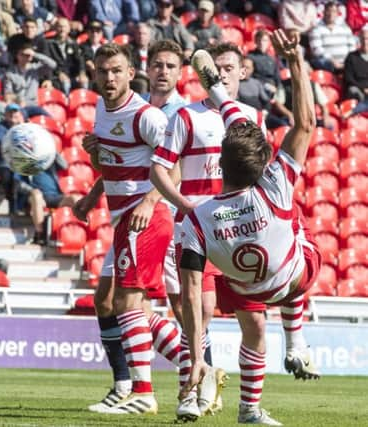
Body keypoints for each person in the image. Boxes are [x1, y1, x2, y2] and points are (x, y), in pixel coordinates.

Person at [179, 30, 321, 426]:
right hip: (293, 276)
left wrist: (196, 360)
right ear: (264, 166)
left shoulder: (196, 219)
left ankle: (249, 410)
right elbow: (306, 123)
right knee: (294, 215)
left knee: (253, 331)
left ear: (219, 166)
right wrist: (295, 62)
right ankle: (294, 343)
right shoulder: (273, 185)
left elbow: (192, 295)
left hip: (241, 285)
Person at [150, 42, 267, 420]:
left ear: (242, 72)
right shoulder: (186, 117)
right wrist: (184, 206)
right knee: (197, 312)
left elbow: (261, 178)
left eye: (228, 68)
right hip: (199, 231)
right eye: (213, 68)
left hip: (240, 232)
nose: (219, 75)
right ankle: (191, 393)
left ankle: (250, 408)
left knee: (255, 321)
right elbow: (159, 170)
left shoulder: (251, 118)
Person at [73, 40, 188, 415]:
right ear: (94, 73)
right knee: (121, 304)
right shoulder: (103, 114)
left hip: (146, 217)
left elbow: (175, 166)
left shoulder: (147, 116)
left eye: (116, 71)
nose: (109, 78)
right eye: (103, 71)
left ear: (130, 74)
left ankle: (142, 392)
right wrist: (93, 168)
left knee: (126, 302)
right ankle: (193, 364)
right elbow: (115, 163)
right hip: (123, 218)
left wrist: (150, 202)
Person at [15, 153, 81, 245]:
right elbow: (18, 183)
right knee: (37, 195)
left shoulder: (49, 159)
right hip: (35, 197)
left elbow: (65, 166)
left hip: (55, 196)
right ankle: (39, 233)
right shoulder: (24, 161)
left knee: (76, 199)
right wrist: (32, 190)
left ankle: (75, 232)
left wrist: (53, 151)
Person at [0, 103, 26, 211]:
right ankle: (12, 200)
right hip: (4, 162)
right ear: (5, 115)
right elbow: (2, 143)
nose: (13, 114)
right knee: (8, 171)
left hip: (22, 161)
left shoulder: (26, 127)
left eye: (15, 112)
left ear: (20, 114)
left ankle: (21, 205)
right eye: (10, 112)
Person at [309, 1, 356, 72]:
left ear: (337, 13)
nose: (331, 14)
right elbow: (317, 50)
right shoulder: (316, 29)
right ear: (323, 12)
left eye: (334, 11)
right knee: (321, 62)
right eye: (328, 11)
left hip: (346, 61)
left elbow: (352, 45)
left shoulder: (345, 27)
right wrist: (332, 61)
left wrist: (348, 60)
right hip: (328, 63)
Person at [47, 17, 88, 94]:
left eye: (65, 26)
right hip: (56, 76)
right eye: (60, 26)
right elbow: (48, 62)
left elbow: (80, 59)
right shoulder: (48, 43)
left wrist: (82, 73)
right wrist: (59, 73)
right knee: (66, 84)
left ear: (69, 29)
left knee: (84, 82)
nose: (62, 29)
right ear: (55, 28)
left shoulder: (73, 43)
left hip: (71, 75)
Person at [247, 30, 280, 94]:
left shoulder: (271, 59)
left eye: (265, 40)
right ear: (256, 42)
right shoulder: (250, 57)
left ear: (268, 42)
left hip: (273, 90)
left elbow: (277, 77)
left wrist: (277, 89)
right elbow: (249, 77)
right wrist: (265, 86)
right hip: (257, 89)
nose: (262, 43)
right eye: (259, 40)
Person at [343, 26, 368, 102]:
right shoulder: (351, 57)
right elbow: (349, 79)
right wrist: (364, 88)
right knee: (353, 90)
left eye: (367, 39)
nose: (365, 41)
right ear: (359, 40)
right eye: (363, 38)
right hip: (359, 89)